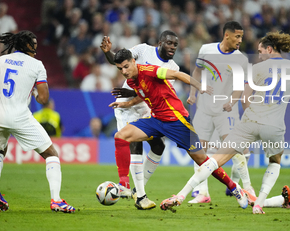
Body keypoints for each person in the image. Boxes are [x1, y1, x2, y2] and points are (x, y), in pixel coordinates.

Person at [160, 31, 290, 214]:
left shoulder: (256, 69)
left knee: (215, 160)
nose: (259, 55)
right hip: (274, 126)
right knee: (275, 161)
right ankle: (259, 203)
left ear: (269, 49)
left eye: (261, 51)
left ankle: (181, 195)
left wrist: (249, 119)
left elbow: (245, 98)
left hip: (250, 120)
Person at [109, 48, 248, 210]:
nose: (124, 72)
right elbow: (143, 94)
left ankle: (234, 188)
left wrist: (198, 85)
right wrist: (126, 104)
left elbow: (176, 74)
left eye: (126, 66)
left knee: (202, 161)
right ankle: (124, 184)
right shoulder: (133, 80)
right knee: (120, 136)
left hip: (177, 121)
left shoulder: (150, 70)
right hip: (156, 120)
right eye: (120, 69)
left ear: (133, 61)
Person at [0, 31, 75, 213]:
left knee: (1, 150)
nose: (36, 47)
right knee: (51, 154)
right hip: (19, 116)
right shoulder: (37, 65)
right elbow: (43, 99)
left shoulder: (1, 60)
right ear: (26, 45)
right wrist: (33, 91)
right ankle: (56, 200)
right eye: (33, 44)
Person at [100, 31, 179, 199]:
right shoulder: (143, 50)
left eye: (175, 45)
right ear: (160, 42)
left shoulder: (173, 68)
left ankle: (137, 189)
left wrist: (132, 92)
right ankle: (132, 189)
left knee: (159, 146)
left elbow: (154, 93)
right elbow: (120, 61)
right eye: (169, 43)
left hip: (146, 106)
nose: (172, 47)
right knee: (134, 142)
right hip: (126, 107)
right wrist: (108, 52)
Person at [187, 21, 255, 204]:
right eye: (237, 36)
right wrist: (193, 93)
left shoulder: (241, 58)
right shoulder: (206, 49)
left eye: (241, 36)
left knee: (234, 146)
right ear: (227, 35)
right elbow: (197, 71)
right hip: (204, 108)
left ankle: (248, 189)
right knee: (198, 150)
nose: (240, 40)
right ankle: (203, 192)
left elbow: (240, 86)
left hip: (225, 110)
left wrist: (232, 102)